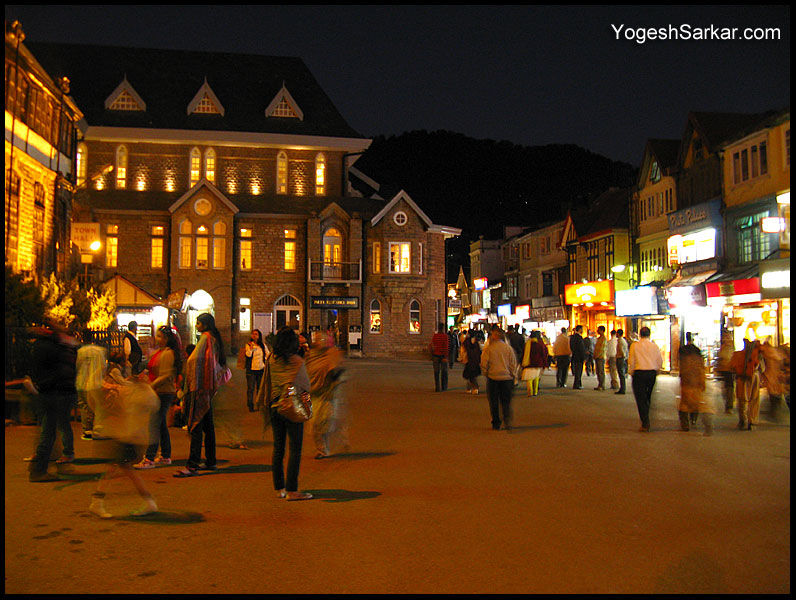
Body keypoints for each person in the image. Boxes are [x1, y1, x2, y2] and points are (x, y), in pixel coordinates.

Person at [89, 350, 160, 518]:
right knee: (121, 469)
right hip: (128, 436)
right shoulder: (139, 391)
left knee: (120, 469)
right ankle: (147, 502)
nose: (142, 376)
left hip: (130, 436)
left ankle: (97, 501)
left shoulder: (142, 393)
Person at [255, 327, 313, 500]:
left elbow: (268, 381)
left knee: (278, 448)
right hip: (291, 407)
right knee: (295, 449)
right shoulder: (297, 361)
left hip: (275, 406)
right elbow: (305, 386)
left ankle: (279, 488)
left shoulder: (272, 358)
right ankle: (292, 490)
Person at [174, 313, 230, 477]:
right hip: (207, 387)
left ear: (205, 325)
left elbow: (197, 361)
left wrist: (190, 385)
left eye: (198, 323)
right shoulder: (213, 338)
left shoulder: (206, 338)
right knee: (207, 426)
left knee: (196, 426)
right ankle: (211, 461)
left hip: (199, 387)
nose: (196, 326)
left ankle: (192, 465)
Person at [27, 319, 79, 481]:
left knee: (48, 431)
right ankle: (39, 470)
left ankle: (40, 465)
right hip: (52, 391)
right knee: (48, 432)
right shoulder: (51, 346)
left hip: (47, 390)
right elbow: (61, 367)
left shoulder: (41, 345)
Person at [134, 325, 181, 468]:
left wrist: (152, 385)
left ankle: (149, 458)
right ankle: (165, 456)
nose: (157, 338)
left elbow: (166, 375)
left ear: (166, 339)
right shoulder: (160, 352)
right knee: (159, 425)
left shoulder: (167, 353)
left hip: (163, 392)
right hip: (159, 391)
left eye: (160, 336)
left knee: (154, 425)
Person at [306, 331, 349, 459]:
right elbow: (306, 372)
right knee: (314, 424)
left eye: (322, 340)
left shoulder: (332, 354)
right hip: (314, 394)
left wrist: (335, 376)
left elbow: (338, 370)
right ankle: (322, 448)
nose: (319, 342)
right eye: (317, 340)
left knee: (326, 420)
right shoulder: (311, 356)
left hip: (327, 394)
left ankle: (325, 448)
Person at [480, 326, 518, 431]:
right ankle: (507, 421)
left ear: (495, 336)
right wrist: (513, 376)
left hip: (493, 378)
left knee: (494, 402)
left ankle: (496, 423)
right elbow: (513, 364)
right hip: (507, 379)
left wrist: (486, 373)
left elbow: (484, 364)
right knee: (506, 402)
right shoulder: (508, 349)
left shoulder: (489, 349)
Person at [677, 333, 714, 435]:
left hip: (687, 380)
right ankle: (694, 419)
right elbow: (701, 369)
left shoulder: (683, 351)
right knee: (696, 403)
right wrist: (703, 383)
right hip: (696, 381)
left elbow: (681, 366)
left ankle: (685, 424)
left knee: (684, 403)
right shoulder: (697, 352)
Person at [627, 326, 663, 432]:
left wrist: (631, 372)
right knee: (648, 396)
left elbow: (631, 360)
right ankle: (646, 415)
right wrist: (657, 370)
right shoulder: (654, 346)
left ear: (640, 334)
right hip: (651, 373)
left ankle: (645, 422)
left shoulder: (635, 345)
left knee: (640, 398)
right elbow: (659, 360)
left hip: (639, 373)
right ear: (649, 334)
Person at [75, 333, 106, 441]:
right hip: (96, 383)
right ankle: (96, 429)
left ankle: (86, 430)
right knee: (96, 406)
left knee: (84, 406)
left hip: (82, 382)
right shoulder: (100, 351)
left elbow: (77, 366)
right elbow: (103, 366)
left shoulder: (80, 352)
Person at [730, 338, 764, 430]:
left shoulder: (737, 355)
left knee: (742, 400)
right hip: (755, 377)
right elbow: (763, 368)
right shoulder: (757, 355)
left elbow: (731, 367)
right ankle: (752, 421)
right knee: (754, 399)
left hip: (741, 379)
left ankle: (743, 421)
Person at [760, 340, 788, 423]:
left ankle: (774, 413)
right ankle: (774, 413)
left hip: (772, 377)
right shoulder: (776, 354)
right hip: (776, 377)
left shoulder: (768, 354)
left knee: (774, 395)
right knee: (775, 394)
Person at [244, 329, 268, 412]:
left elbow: (267, 355)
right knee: (250, 388)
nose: (254, 335)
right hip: (251, 370)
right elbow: (248, 355)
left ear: (259, 336)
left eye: (256, 334)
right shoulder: (248, 345)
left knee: (259, 388)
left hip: (261, 369)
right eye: (253, 334)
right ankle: (250, 405)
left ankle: (259, 405)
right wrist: (251, 348)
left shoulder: (263, 345)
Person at [520, 330, 548, 397]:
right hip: (538, 363)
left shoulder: (527, 343)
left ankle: (530, 392)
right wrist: (545, 363)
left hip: (529, 363)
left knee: (529, 378)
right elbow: (544, 353)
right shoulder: (540, 343)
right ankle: (535, 392)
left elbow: (523, 353)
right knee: (536, 377)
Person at [714, 329, 736, 414]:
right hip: (725, 369)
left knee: (729, 388)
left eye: (727, 336)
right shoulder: (724, 346)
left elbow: (728, 356)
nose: (725, 338)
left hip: (729, 369)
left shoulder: (730, 346)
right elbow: (721, 356)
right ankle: (728, 404)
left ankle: (729, 406)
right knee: (727, 388)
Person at [429, 323, 449, 392]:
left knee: (436, 372)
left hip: (436, 355)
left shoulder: (435, 336)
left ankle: (437, 387)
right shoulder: (445, 336)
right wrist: (445, 356)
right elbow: (446, 347)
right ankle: (444, 387)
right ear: (443, 328)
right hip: (442, 356)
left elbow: (432, 345)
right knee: (444, 372)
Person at [569, 325, 586, 389]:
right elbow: (581, 348)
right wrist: (583, 357)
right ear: (579, 329)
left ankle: (578, 384)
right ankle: (577, 384)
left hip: (575, 356)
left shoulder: (572, 337)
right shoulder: (578, 338)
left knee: (577, 371)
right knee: (579, 371)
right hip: (579, 357)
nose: (582, 330)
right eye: (582, 329)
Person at [614, 329, 629, 395]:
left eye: (617, 333)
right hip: (622, 358)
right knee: (621, 374)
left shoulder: (620, 341)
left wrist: (622, 356)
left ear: (618, 334)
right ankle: (622, 388)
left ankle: (622, 389)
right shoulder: (623, 340)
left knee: (621, 374)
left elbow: (621, 350)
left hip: (620, 358)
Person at [593, 326, 607, 391]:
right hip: (597, 357)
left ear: (602, 330)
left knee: (601, 371)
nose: (597, 331)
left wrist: (597, 355)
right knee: (598, 372)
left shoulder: (603, 339)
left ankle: (602, 385)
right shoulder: (599, 338)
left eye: (598, 330)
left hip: (600, 357)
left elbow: (602, 349)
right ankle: (600, 384)